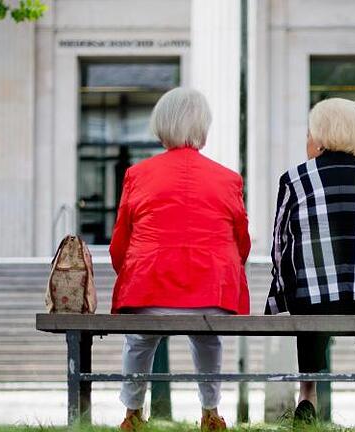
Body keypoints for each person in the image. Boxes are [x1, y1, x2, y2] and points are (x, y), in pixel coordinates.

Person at [109, 87, 251, 432]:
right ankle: (211, 411)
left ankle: (131, 413)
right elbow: (241, 240)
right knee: (208, 339)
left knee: (139, 342)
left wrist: (128, 275)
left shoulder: (137, 175)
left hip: (149, 287)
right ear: (203, 125)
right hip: (210, 292)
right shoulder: (228, 178)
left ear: (162, 124)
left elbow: (120, 242)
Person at [264, 98, 355, 429]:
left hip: (314, 298)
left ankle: (307, 396)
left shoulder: (295, 179)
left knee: (310, 297)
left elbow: (280, 245)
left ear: (322, 136)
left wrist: (284, 292)